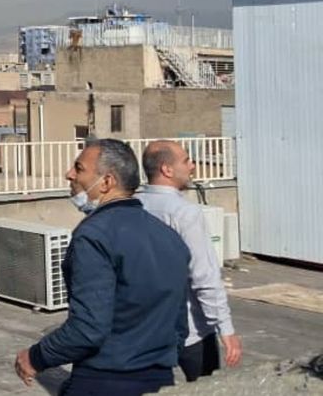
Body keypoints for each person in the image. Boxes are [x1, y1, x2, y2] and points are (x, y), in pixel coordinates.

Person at [14, 139, 190, 396]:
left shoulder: (94, 236)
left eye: (79, 168)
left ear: (106, 182)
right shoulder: (169, 236)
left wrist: (36, 356)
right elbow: (179, 325)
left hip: (105, 379)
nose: (69, 175)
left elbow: (88, 329)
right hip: (160, 380)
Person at [138, 140, 243, 381]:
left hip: (144, 328)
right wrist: (225, 329)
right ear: (167, 169)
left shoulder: (134, 206)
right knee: (205, 386)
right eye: (186, 160)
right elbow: (204, 276)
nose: (193, 166)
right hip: (190, 329)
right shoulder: (185, 213)